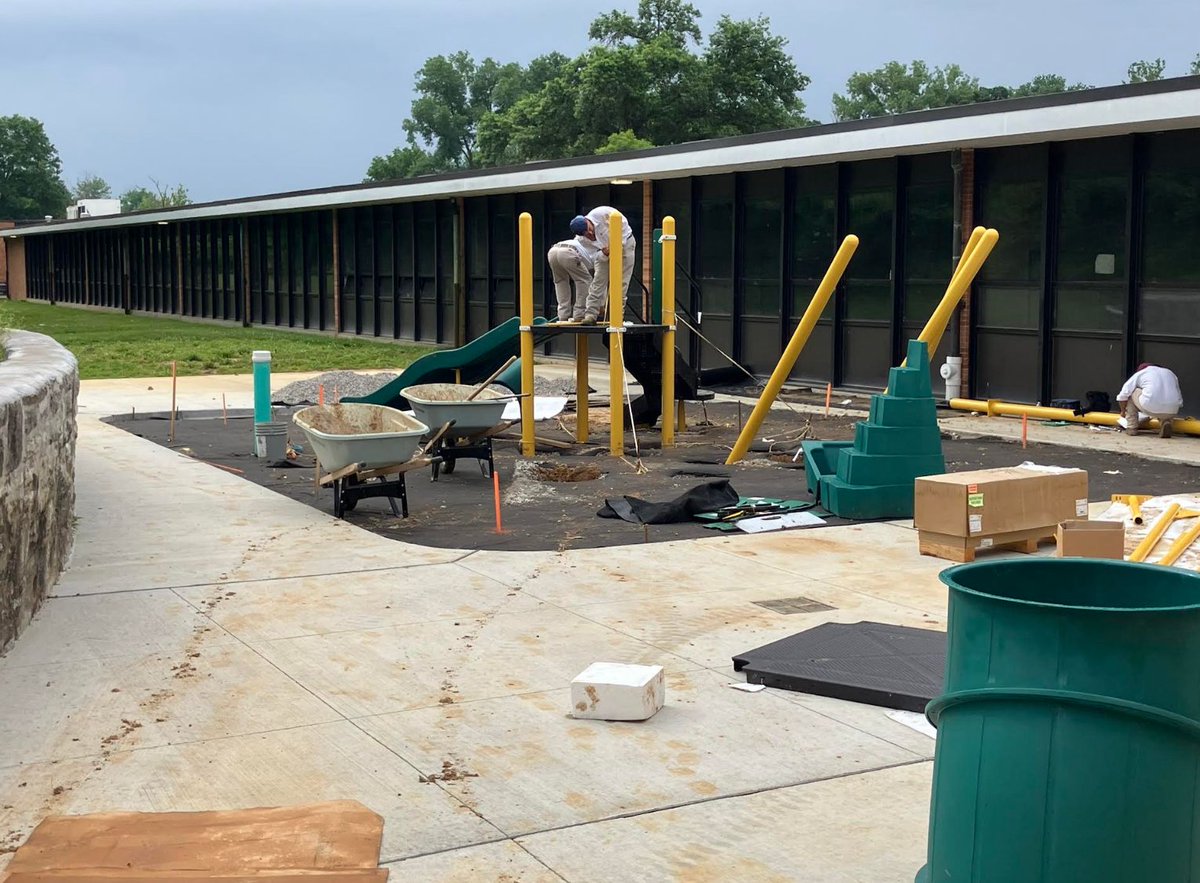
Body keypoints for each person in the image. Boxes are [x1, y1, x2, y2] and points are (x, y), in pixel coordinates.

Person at [569, 206, 636, 325]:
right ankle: (590, 315)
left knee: (622, 282)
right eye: (586, 234)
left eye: (589, 229)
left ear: (588, 220)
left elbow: (623, 224)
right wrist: (603, 254)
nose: (590, 233)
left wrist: (617, 244)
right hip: (603, 253)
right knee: (598, 282)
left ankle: (617, 317)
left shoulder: (602, 213)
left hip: (625, 244)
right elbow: (591, 257)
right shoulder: (581, 241)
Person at [1116, 362, 1182, 438]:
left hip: (1150, 406)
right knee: (1164, 399)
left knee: (1131, 392)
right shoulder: (1170, 373)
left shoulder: (1141, 373)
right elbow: (1179, 398)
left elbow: (1123, 395)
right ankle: (1166, 422)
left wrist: (1123, 411)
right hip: (1173, 410)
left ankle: (1131, 427)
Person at [546, 237, 599, 322]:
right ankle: (580, 314)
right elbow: (592, 278)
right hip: (569, 252)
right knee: (585, 280)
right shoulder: (593, 258)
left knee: (560, 282)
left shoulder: (581, 243)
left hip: (553, 251)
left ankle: (563, 315)